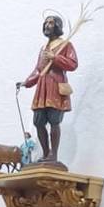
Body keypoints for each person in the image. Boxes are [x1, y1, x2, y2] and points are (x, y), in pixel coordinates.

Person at [16, 15, 78, 167]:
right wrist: (26, 82)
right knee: (38, 121)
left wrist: (55, 58)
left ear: (57, 26)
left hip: (55, 87)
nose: (47, 25)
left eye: (51, 23)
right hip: (42, 88)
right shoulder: (43, 48)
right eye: (46, 23)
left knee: (54, 120)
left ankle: (53, 155)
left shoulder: (65, 45)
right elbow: (38, 70)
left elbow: (72, 64)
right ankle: (45, 152)